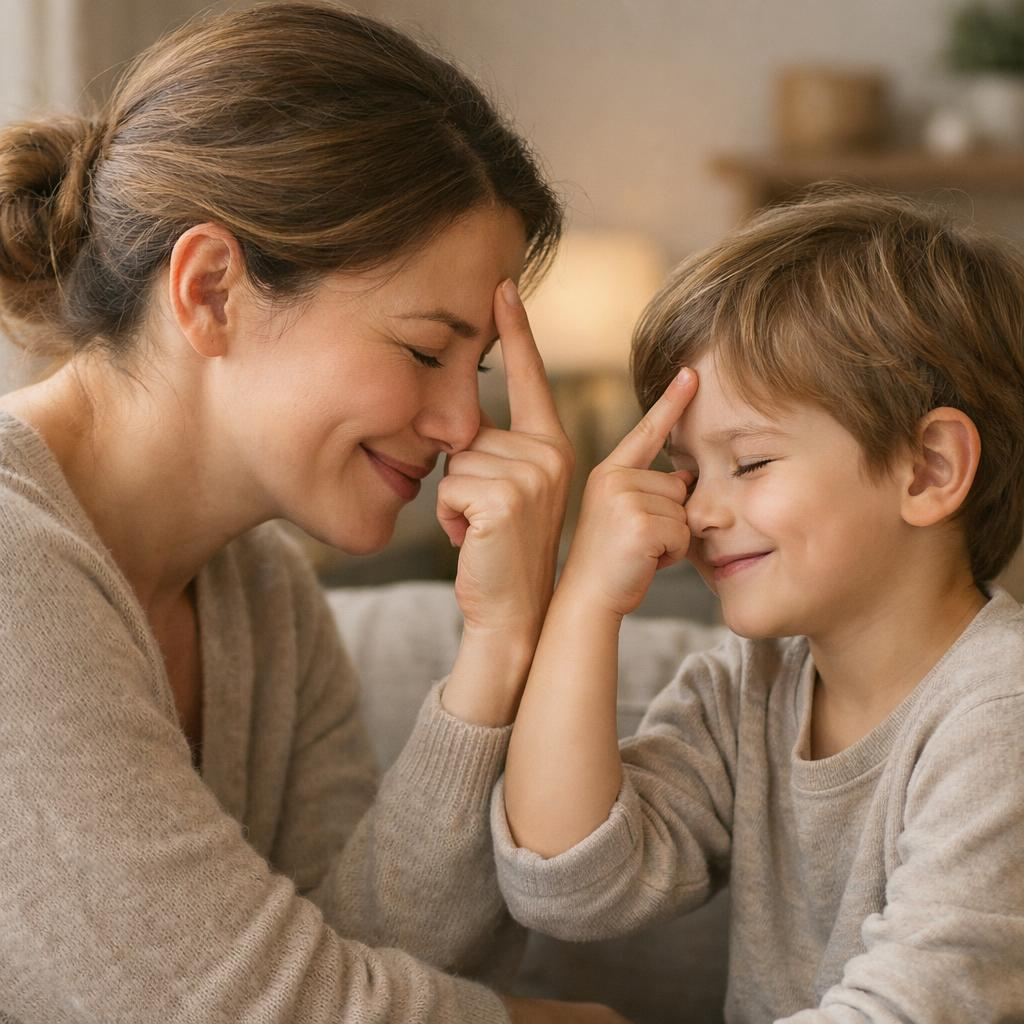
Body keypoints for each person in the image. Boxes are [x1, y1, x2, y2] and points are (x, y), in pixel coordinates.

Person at [0, 4, 630, 1023]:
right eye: (428, 350)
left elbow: (376, 958)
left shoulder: (263, 596)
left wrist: (501, 643)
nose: (465, 424)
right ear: (209, 291)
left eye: (476, 369)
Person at [495, 191, 1024, 1021]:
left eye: (748, 464)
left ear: (927, 468)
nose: (700, 511)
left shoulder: (1003, 714)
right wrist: (586, 599)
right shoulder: (749, 686)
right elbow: (571, 885)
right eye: (688, 470)